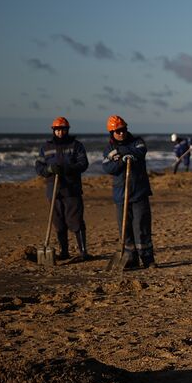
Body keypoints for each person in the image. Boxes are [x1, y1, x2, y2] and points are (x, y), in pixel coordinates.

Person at [101, 114, 155, 269]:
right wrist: (119, 161)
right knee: (125, 230)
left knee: (142, 227)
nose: (121, 133)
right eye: (117, 131)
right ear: (112, 133)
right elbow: (107, 167)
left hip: (139, 193)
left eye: (123, 130)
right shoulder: (109, 149)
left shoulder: (137, 142)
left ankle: (148, 259)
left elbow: (140, 152)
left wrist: (120, 155)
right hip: (121, 195)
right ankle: (131, 259)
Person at [34, 116, 90, 261]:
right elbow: (39, 167)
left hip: (72, 189)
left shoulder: (76, 145)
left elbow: (83, 164)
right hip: (53, 190)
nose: (60, 132)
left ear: (67, 130)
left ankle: (83, 252)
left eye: (63, 129)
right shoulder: (45, 147)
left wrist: (66, 168)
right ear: (53, 130)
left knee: (75, 221)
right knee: (58, 223)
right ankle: (64, 252)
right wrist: (49, 169)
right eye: (57, 130)